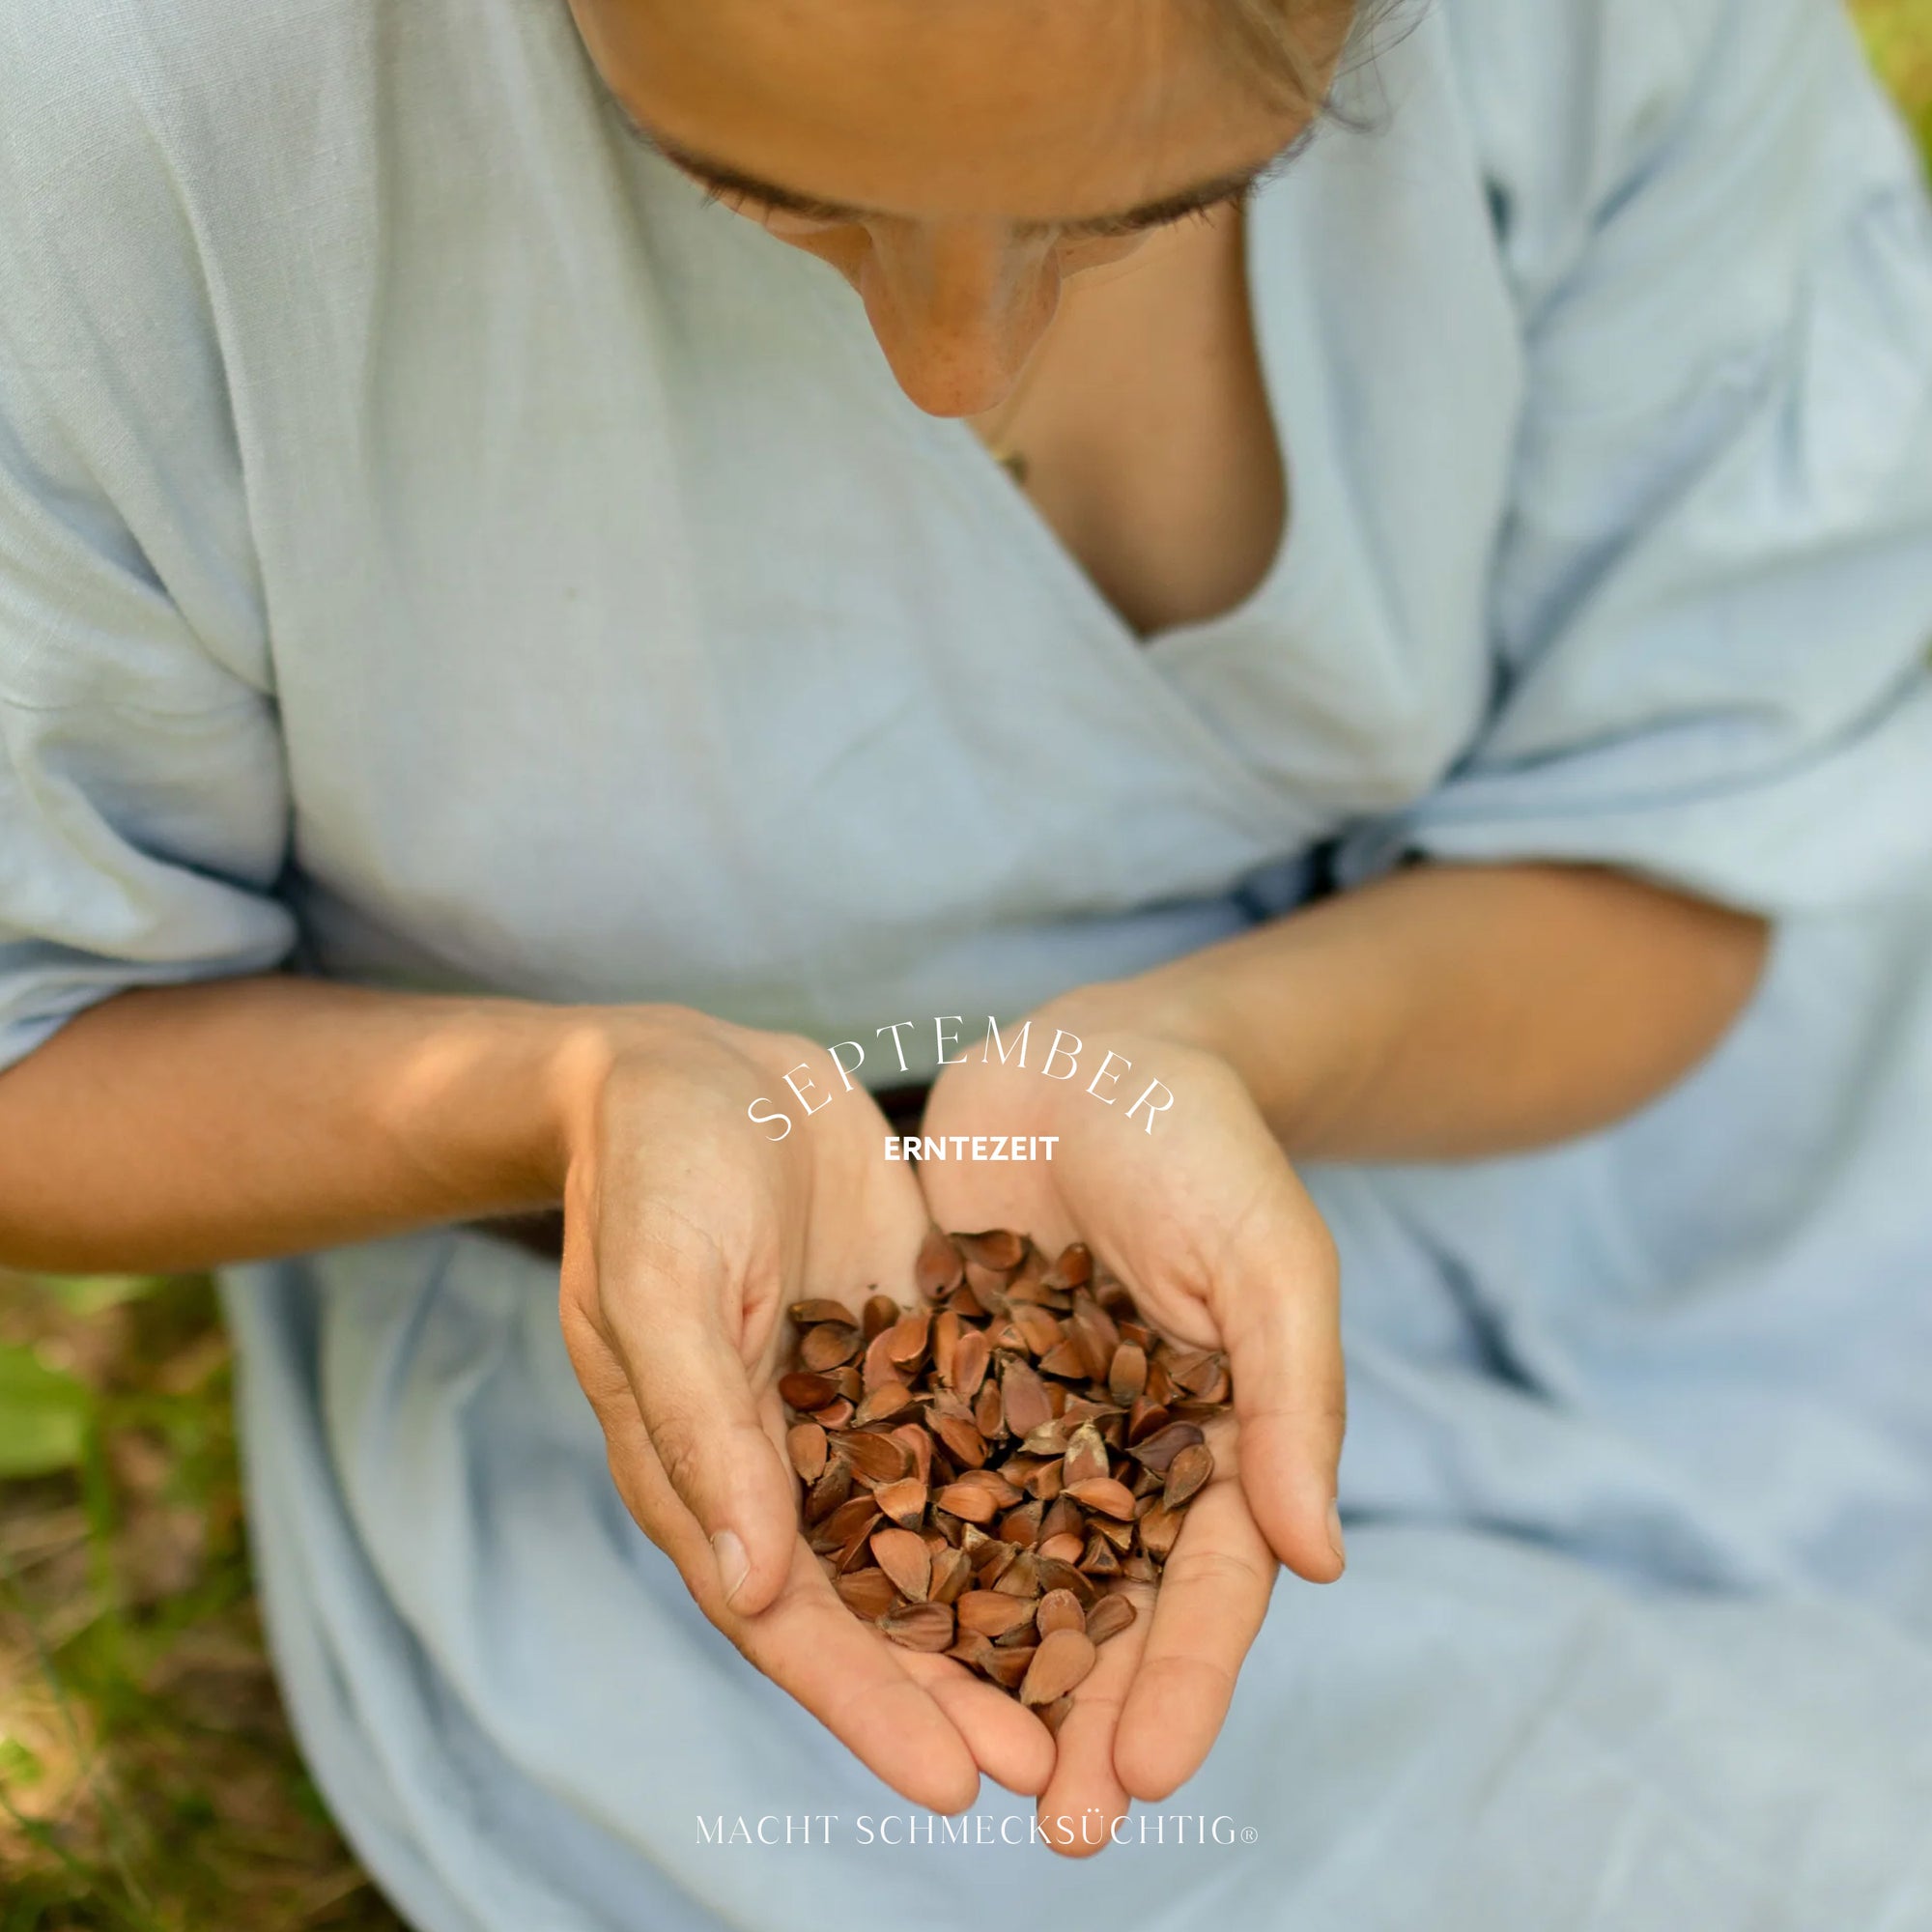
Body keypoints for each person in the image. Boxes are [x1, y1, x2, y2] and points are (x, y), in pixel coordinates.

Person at [3, 0, 1931, 1922]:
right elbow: (34, 1045)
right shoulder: (124, 131)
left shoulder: (1616, 38)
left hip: (1531, 1081)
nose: (951, 368)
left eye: (1154, 207)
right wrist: (573, 1101)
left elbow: (1675, 840)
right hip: (667, 1327)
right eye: (756, 196)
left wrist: (1201, 1053)